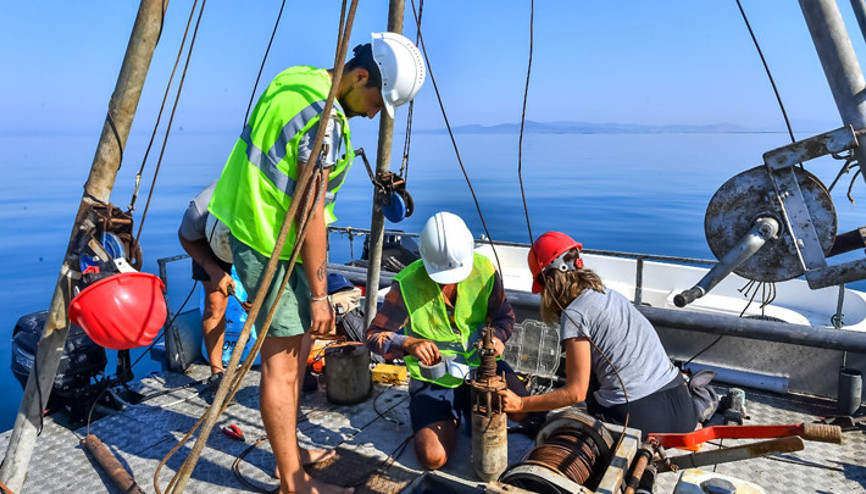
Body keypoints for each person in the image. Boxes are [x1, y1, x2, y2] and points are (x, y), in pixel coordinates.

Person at [208, 32, 425, 494]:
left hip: (265, 232)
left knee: (300, 349)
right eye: (375, 103)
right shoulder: (322, 121)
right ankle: (292, 481)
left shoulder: (301, 79)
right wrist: (321, 295)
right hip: (269, 243)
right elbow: (310, 212)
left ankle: (288, 452)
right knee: (283, 366)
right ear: (360, 76)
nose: (373, 114)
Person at [366, 212, 530, 470]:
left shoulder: (484, 270)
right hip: (434, 380)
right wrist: (407, 343)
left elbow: (504, 317)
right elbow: (373, 337)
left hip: (482, 369)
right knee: (433, 458)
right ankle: (450, 414)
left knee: (523, 410)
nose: (451, 280)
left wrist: (498, 338)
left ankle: (464, 406)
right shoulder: (407, 284)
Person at [498, 232, 699, 437]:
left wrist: (521, 404)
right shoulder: (609, 295)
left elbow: (575, 393)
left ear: (550, 281)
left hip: (643, 419)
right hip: (684, 410)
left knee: (577, 412)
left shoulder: (575, 313)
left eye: (541, 288)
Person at [178, 181, 234, 391]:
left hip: (255, 234)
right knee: (215, 302)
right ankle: (217, 372)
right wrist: (214, 271)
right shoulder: (199, 212)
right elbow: (185, 238)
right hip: (212, 238)